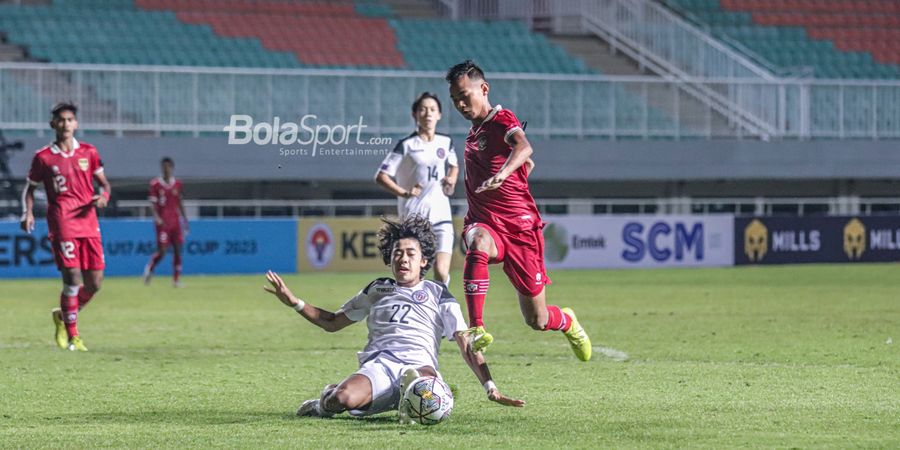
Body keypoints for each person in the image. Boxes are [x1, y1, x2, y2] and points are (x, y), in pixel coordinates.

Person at [262, 215, 524, 419]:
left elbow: (465, 343)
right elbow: (332, 322)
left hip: (419, 368)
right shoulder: (378, 289)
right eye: (398, 253)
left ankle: (418, 395)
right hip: (381, 366)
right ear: (390, 258)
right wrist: (295, 302)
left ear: (423, 261)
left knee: (425, 391)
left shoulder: (438, 293)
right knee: (339, 401)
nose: (403, 259)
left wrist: (490, 386)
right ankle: (323, 402)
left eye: (411, 254)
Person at [445, 60, 592, 361]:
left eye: (465, 95)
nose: (460, 104)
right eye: (455, 100)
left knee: (537, 320)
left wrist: (506, 172)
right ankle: (477, 328)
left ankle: (567, 321)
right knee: (478, 243)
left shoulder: (501, 119)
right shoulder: (473, 135)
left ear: (483, 89)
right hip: (485, 222)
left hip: (521, 228)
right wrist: (515, 168)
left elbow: (524, 147)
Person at [20, 102, 111, 352]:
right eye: (61, 120)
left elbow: (104, 185)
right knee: (72, 277)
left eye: (70, 119)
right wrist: (27, 212)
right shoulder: (43, 157)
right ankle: (74, 336)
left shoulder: (89, 152)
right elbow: (30, 188)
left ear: (76, 124)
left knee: (95, 283)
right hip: (62, 221)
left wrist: (103, 198)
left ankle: (62, 316)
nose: (66, 124)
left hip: (89, 221)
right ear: (53, 124)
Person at [375, 92, 459, 286]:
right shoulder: (406, 145)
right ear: (415, 115)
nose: (428, 113)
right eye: (423, 109)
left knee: (441, 271)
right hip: (414, 220)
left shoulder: (445, 142)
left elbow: (454, 165)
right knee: (413, 275)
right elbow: (381, 176)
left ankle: (439, 312)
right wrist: (405, 193)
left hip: (442, 215)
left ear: (439, 115)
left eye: (432, 109)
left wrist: (451, 180)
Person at [143, 157, 188, 287]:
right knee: (162, 251)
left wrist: (184, 220)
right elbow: (152, 203)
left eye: (168, 166)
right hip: (163, 223)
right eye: (163, 166)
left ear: (172, 167)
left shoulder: (177, 184)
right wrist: (156, 217)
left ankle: (176, 279)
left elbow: (180, 202)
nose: (165, 169)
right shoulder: (155, 184)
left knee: (178, 250)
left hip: (175, 222)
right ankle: (150, 268)